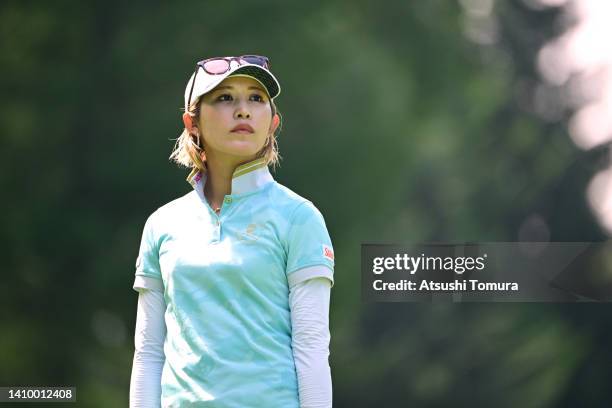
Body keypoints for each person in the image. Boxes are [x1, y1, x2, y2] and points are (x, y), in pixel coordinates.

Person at [129, 55, 335, 407]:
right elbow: (148, 354)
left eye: (256, 99)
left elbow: (312, 348)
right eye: (225, 98)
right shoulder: (162, 224)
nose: (243, 111)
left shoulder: (299, 217)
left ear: (273, 123)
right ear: (191, 122)